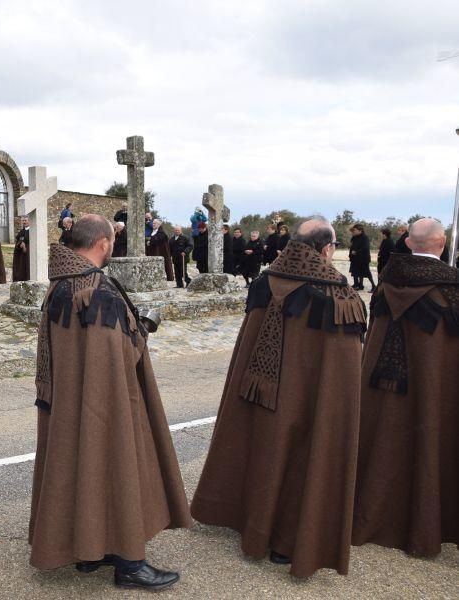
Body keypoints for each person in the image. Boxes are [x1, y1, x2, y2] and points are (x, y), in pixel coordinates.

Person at [190, 217, 366, 578]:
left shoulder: (263, 282)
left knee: (261, 445)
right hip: (304, 396)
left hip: (257, 390)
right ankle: (285, 539)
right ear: (327, 250)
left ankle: (250, 522)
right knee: (303, 453)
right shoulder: (336, 295)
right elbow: (342, 372)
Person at [29, 215, 191, 591]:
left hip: (71, 400)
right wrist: (139, 333)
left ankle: (93, 549)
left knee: (84, 467)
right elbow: (112, 355)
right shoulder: (95, 289)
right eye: (112, 240)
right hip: (105, 400)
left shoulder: (61, 283)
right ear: (103, 243)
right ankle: (130, 563)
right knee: (116, 465)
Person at [352, 218, 459, 558]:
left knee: (380, 440)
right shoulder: (450, 291)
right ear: (442, 244)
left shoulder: (386, 283)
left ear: (410, 244)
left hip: (381, 389)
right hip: (431, 391)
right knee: (428, 441)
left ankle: (365, 512)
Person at [348, 223, 375, 291]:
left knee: (367, 272)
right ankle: (358, 285)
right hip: (355, 258)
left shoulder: (364, 238)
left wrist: (356, 251)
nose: (354, 231)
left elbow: (365, 248)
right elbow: (352, 246)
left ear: (360, 231)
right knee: (355, 272)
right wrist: (351, 254)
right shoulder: (354, 237)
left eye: (355, 230)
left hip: (363, 258)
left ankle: (373, 286)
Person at [12, 216, 31, 281]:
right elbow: (18, 241)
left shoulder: (33, 231)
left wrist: (26, 247)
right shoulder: (22, 231)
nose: (24, 222)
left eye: (25, 220)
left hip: (29, 254)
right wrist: (20, 244)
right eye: (23, 221)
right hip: (21, 255)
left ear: (29, 221)